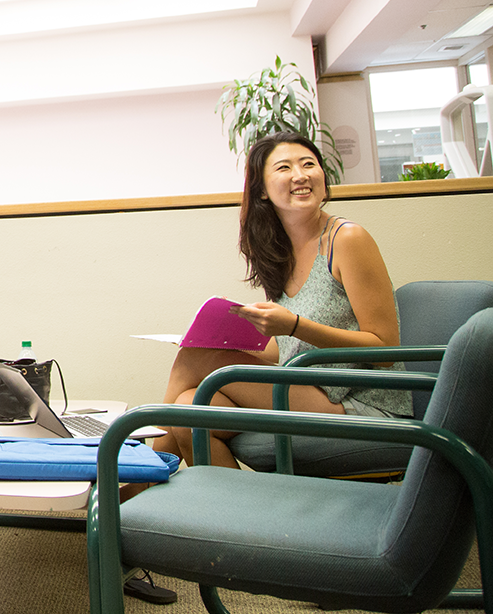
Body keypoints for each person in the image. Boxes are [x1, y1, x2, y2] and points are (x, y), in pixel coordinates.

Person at [149, 132, 411, 469]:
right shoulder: (279, 252)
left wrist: (294, 325)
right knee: (188, 407)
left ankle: (142, 478)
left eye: (308, 164)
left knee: (197, 359)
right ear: (262, 189)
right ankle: (241, 519)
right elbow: (287, 348)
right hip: (310, 387)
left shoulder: (347, 239)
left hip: (361, 402)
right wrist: (235, 339)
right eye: (284, 168)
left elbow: (385, 349)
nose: (300, 175)